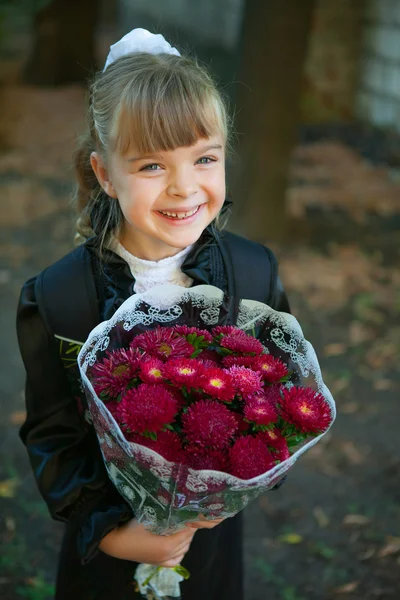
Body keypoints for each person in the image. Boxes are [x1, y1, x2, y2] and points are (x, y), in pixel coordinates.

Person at [16, 29, 291, 600]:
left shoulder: (255, 275)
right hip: (108, 551)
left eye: (205, 158)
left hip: (209, 542)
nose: (184, 187)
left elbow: (279, 397)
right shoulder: (58, 297)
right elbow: (53, 437)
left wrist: (248, 467)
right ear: (104, 173)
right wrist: (116, 536)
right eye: (151, 167)